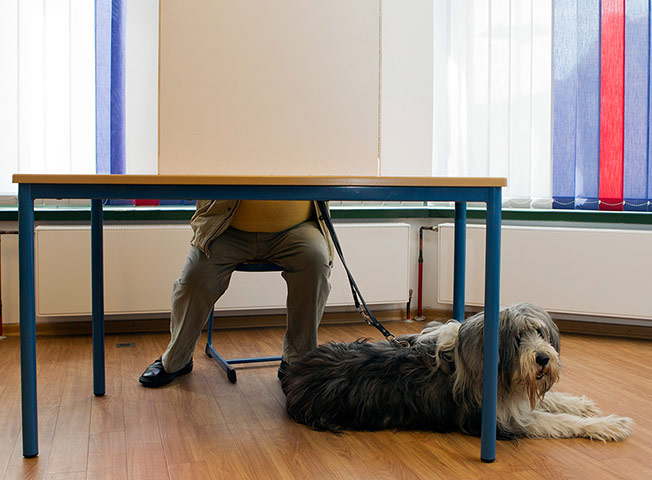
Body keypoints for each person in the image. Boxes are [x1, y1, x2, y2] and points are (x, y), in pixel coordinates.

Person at [139, 199, 334, 387]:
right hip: (226, 228)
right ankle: (176, 359)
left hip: (298, 229)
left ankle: (297, 362)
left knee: (316, 263)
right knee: (195, 277)